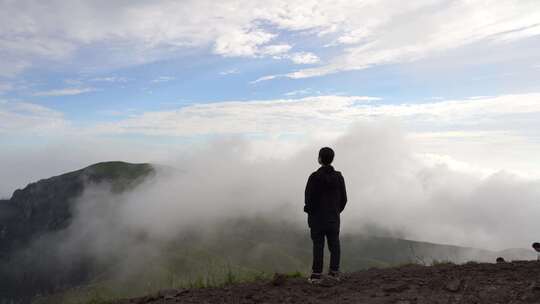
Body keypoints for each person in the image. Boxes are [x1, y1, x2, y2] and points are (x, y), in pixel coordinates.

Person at [304, 147, 347, 283]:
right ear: (332, 159)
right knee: (334, 245)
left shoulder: (314, 177)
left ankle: (317, 275)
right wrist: (335, 211)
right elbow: (344, 199)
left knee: (318, 245)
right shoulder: (339, 177)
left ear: (320, 159)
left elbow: (308, 199)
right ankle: (334, 273)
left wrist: (310, 212)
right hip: (333, 218)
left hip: (317, 219)